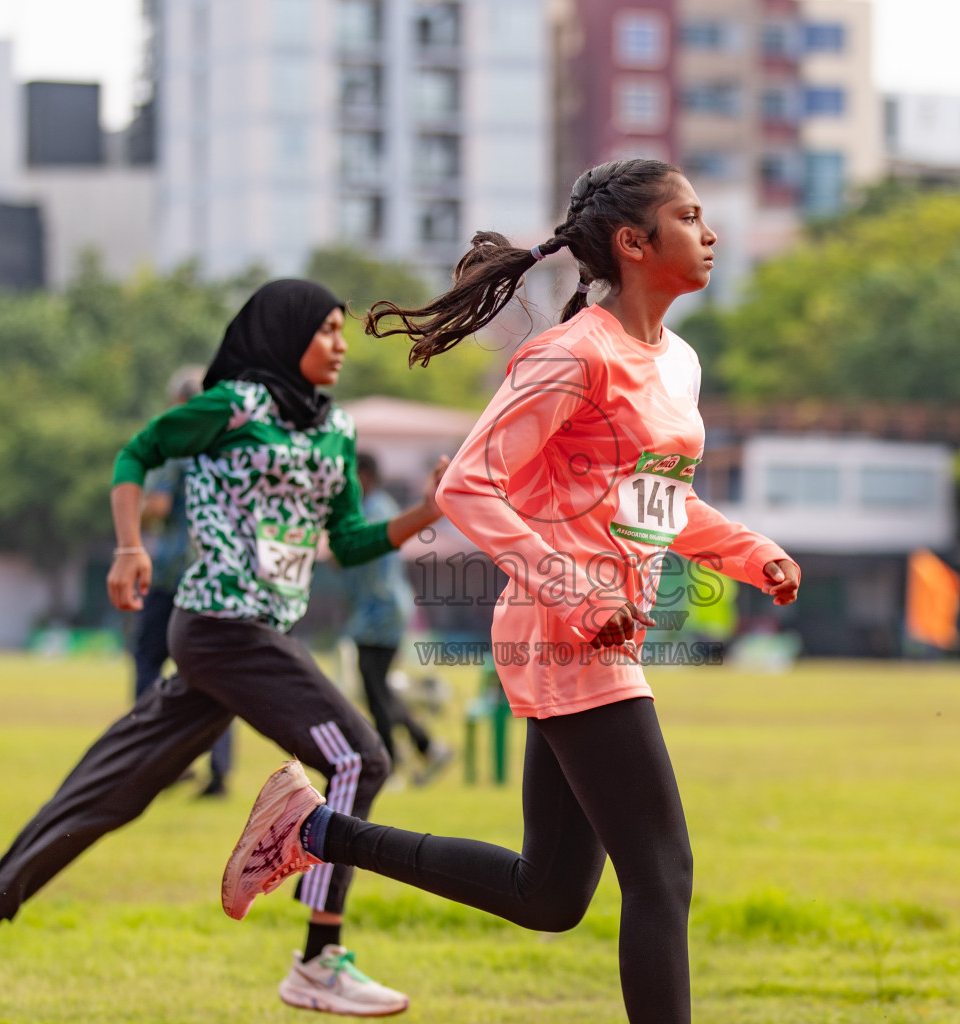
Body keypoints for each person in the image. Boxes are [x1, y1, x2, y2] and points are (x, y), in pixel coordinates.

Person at [219, 159, 802, 1024]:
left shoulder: (676, 362)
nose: (709, 233)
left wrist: (753, 555)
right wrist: (574, 591)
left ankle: (315, 830)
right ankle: (315, 831)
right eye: (690, 216)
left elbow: (656, 501)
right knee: (662, 872)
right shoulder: (572, 355)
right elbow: (469, 487)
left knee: (551, 894)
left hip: (605, 631)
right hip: (566, 633)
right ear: (635, 244)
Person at [0, 279, 449, 1021]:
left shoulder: (336, 432)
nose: (340, 345)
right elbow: (136, 453)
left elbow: (349, 543)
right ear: (281, 334)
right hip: (221, 628)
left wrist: (431, 509)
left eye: (343, 332)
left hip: (257, 633)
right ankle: (317, 958)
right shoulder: (231, 407)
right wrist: (129, 548)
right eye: (327, 330)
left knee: (111, 788)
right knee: (359, 758)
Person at [132, 364, 235, 797]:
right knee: (216, 675)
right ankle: (219, 770)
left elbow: (156, 504)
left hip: (174, 574)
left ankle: (155, 759)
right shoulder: (230, 447)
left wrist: (131, 517)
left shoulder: (176, 446)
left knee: (147, 660)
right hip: (219, 575)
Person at [341, 451, 453, 785]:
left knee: (375, 690)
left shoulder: (376, 509)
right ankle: (426, 746)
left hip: (381, 613)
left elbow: (366, 562)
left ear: (366, 476)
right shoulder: (373, 507)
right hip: (375, 613)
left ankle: (390, 765)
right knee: (379, 689)